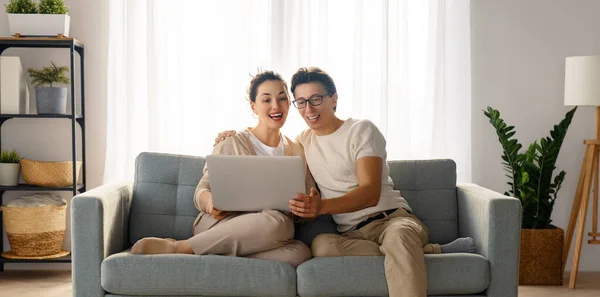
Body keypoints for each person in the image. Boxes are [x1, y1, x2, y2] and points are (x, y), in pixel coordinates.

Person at [215, 67, 475, 297]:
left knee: (398, 238)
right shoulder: (302, 142)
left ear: (334, 99)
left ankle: (407, 248)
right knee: (320, 246)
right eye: (302, 102)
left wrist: (321, 207)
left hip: (392, 219)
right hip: (352, 234)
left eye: (316, 99)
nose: (309, 109)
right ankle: (426, 251)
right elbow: (266, 144)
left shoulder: (361, 130)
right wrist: (230, 135)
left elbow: (370, 193)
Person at [130, 70, 313, 268]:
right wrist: (211, 204)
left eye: (282, 98)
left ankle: (209, 250)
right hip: (220, 225)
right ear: (253, 106)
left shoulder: (297, 151)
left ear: (289, 103)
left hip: (268, 234)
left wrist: (304, 209)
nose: (276, 106)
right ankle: (180, 248)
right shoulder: (231, 142)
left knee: (299, 253)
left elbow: (306, 205)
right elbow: (201, 191)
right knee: (278, 223)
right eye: (266, 100)